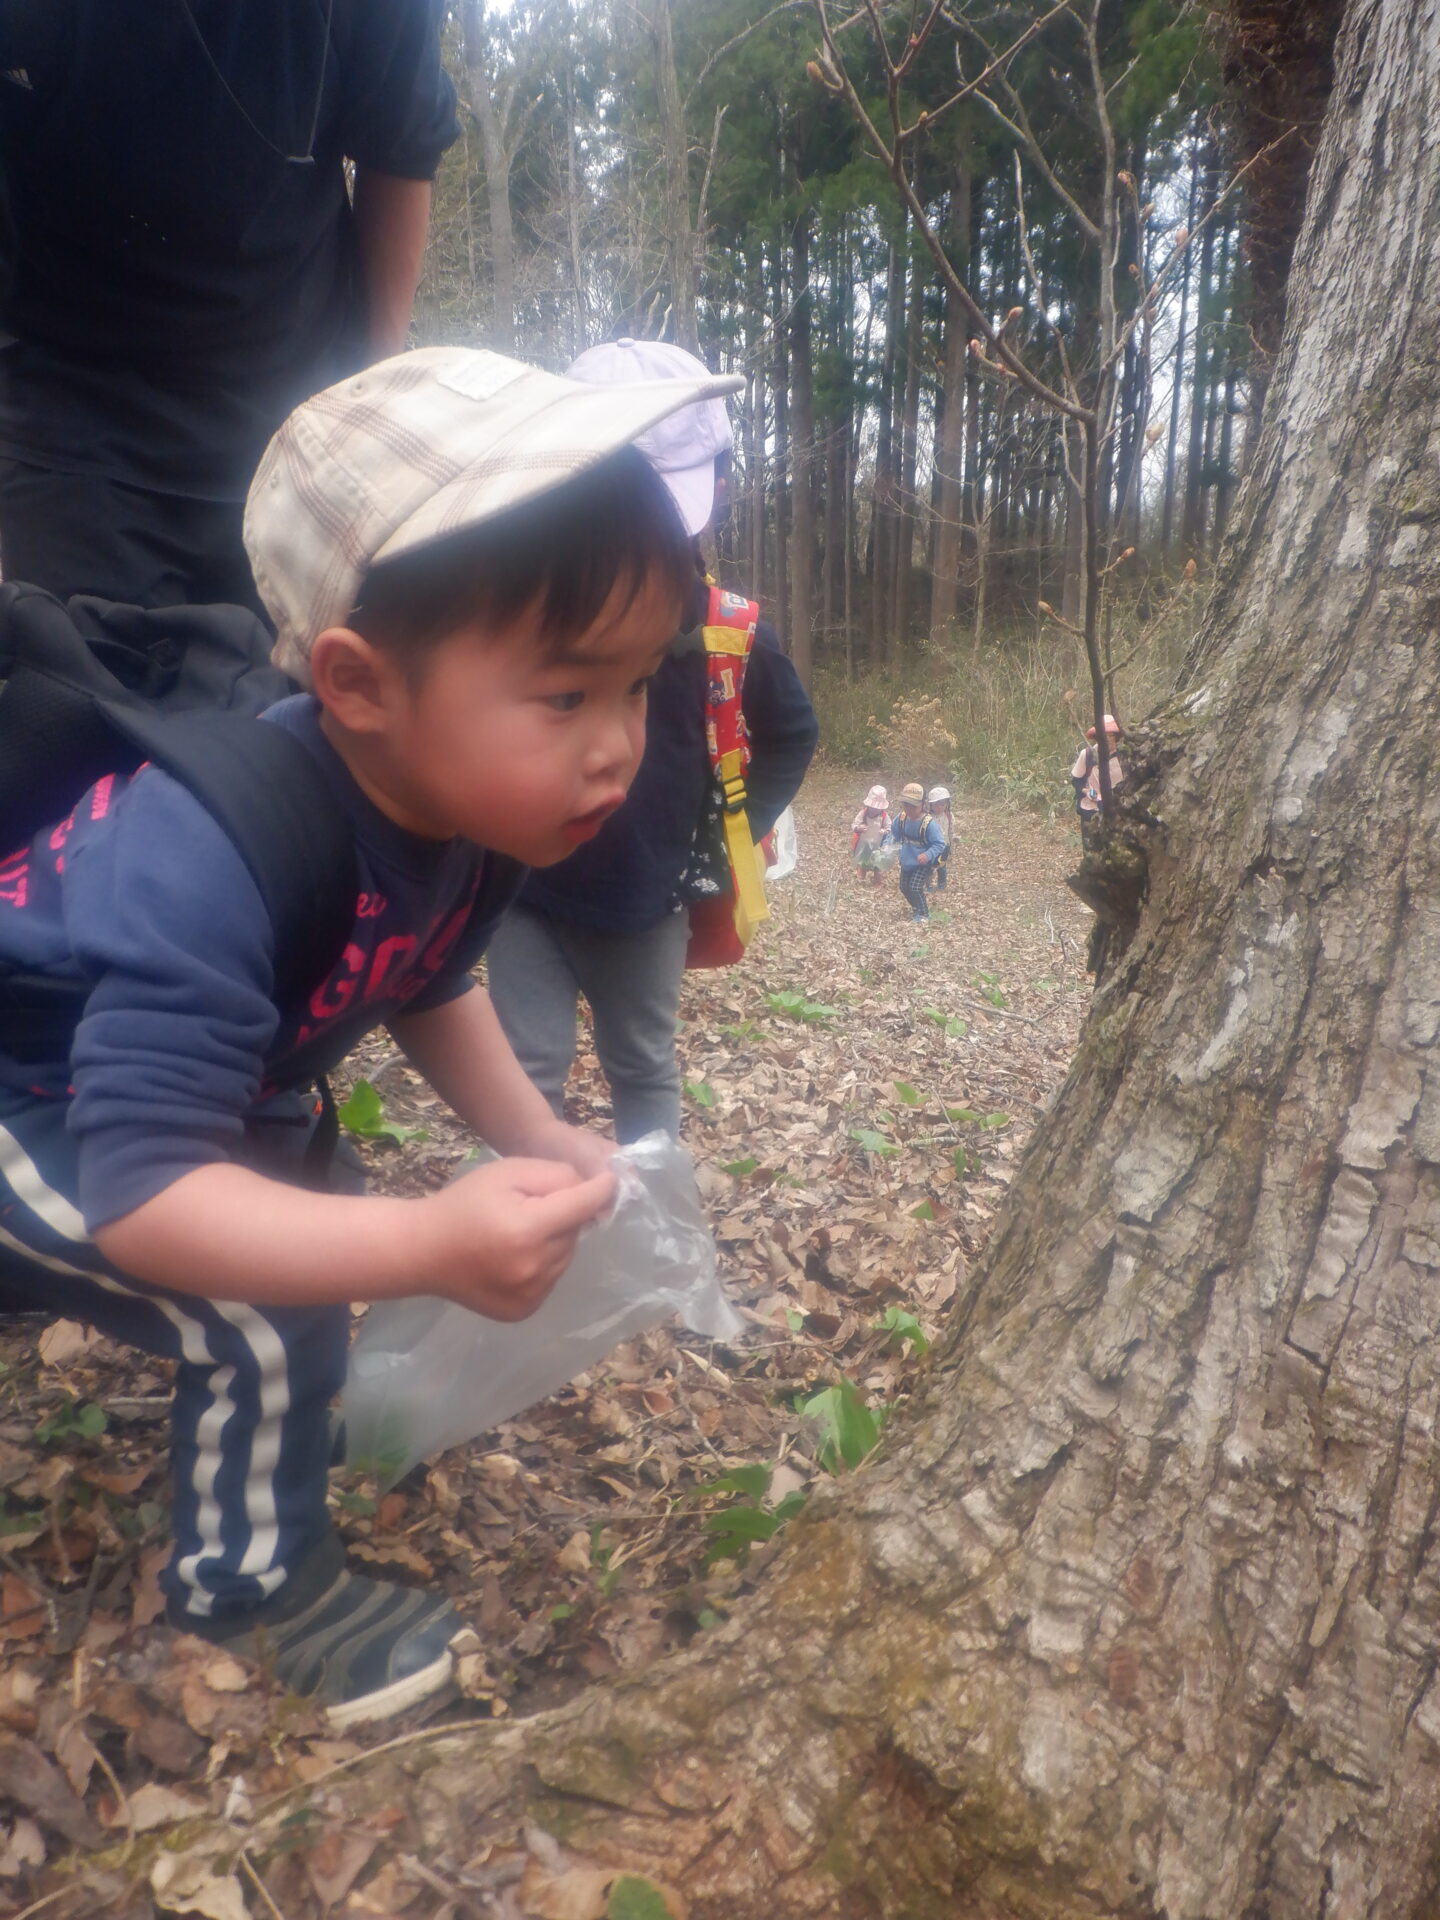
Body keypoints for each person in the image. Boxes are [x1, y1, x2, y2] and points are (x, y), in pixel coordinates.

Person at [0, 345, 740, 1726]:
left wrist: (537, 1133)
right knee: (268, 1295)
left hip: (146, 1092)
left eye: (640, 686)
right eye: (567, 693)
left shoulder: (462, 825)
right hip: (29, 1102)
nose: (618, 747)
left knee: (308, 1221)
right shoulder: (219, 850)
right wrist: (422, 1246)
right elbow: (147, 1197)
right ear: (357, 684)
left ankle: (275, 1426)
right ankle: (254, 1592)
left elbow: (427, 983)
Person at [0, 0, 458, 613]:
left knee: (316, 674)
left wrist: (372, 411)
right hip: (64, 421)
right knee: (67, 670)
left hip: (305, 434)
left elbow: (400, 146)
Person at [486, 338, 818, 1145]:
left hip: (646, 897)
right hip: (524, 888)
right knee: (523, 1069)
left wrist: (725, 827)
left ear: (717, 490)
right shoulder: (518, 607)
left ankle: (652, 1211)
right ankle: (515, 1212)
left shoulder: (731, 632)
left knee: (639, 1064)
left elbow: (793, 733)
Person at [887, 782, 946, 924]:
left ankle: (924, 913)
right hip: (907, 859)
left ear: (922, 804)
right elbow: (893, 834)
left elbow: (939, 844)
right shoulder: (901, 818)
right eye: (906, 805)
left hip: (922, 863)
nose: (909, 809)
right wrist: (887, 845)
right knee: (904, 887)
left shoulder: (929, 824)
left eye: (913, 806)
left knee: (915, 887)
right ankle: (916, 907)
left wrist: (928, 854)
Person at [1071, 713, 1125, 850]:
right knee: (1091, 849)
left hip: (1118, 811)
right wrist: (1087, 791)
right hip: (1091, 809)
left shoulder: (1124, 755)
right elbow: (1076, 780)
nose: (1108, 739)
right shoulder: (1088, 754)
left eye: (1111, 735)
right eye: (1104, 735)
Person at [851, 784, 891, 884]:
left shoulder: (884, 816)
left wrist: (885, 831)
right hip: (865, 844)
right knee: (863, 863)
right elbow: (854, 824)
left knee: (878, 865)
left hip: (878, 845)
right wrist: (859, 828)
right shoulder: (863, 813)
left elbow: (889, 827)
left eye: (877, 808)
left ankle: (877, 881)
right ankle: (860, 879)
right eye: (872, 807)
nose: (874, 810)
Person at [925, 786, 953, 891]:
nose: (939, 807)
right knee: (929, 867)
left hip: (944, 845)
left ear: (947, 804)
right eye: (936, 804)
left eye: (942, 804)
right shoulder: (927, 817)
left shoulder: (949, 816)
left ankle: (942, 883)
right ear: (931, 805)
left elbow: (950, 831)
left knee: (942, 866)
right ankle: (928, 885)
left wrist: (951, 847)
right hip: (930, 847)